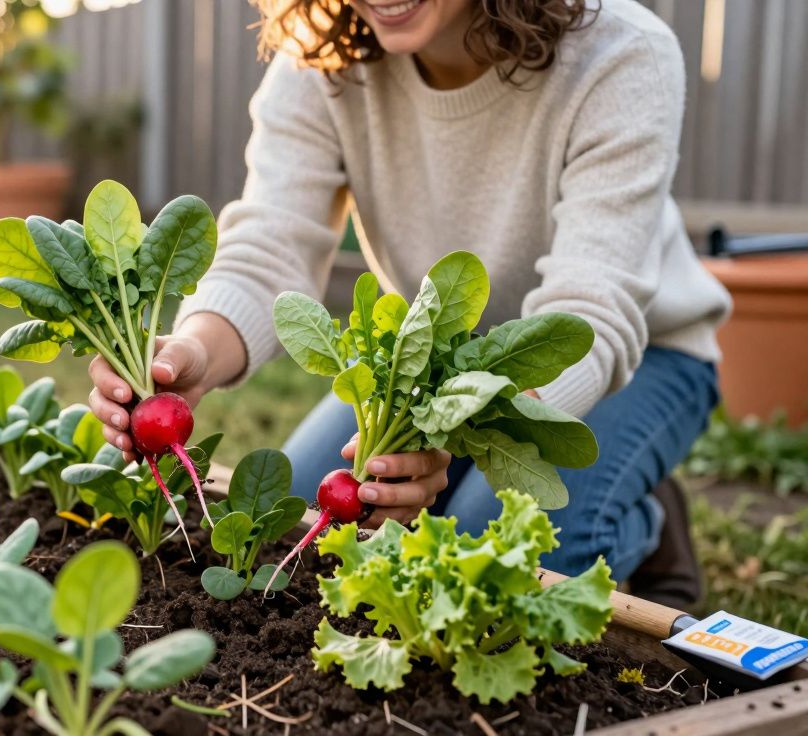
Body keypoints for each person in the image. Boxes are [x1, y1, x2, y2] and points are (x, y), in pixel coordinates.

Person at [86, 0, 730, 603]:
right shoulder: (322, 57)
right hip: (428, 368)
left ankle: (643, 528)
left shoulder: (621, 53)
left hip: (639, 361)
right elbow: (269, 248)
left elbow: (589, 315)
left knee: (490, 555)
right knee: (308, 525)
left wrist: (446, 434)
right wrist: (193, 350)